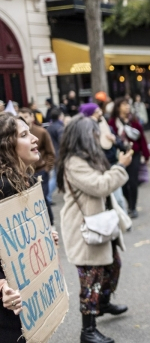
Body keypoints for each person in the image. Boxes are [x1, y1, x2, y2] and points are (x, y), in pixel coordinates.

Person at [56, 115, 132, 343]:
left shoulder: (89, 157)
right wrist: (120, 167)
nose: (97, 136)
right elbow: (100, 186)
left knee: (113, 265)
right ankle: (87, 331)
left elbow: (113, 162)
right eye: (94, 133)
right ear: (83, 136)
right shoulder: (74, 162)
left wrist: (117, 144)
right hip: (85, 230)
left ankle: (104, 303)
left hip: (101, 225)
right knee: (91, 279)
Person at [0, 113, 60, 343]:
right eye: (24, 135)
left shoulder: (29, 182)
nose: (35, 139)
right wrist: (2, 285)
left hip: (28, 302)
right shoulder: (2, 188)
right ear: (7, 145)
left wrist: (44, 239)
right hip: (9, 309)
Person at [108, 97, 150, 219]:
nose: (127, 107)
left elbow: (142, 138)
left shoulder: (134, 121)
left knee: (133, 181)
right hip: (119, 155)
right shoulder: (112, 123)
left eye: (128, 105)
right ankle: (128, 203)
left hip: (134, 154)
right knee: (122, 182)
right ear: (118, 107)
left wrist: (146, 154)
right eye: (124, 105)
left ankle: (133, 207)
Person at [18, 107, 56, 224]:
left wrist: (46, 168)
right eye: (24, 135)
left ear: (32, 117)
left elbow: (51, 152)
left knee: (43, 198)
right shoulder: (8, 182)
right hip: (29, 173)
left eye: (26, 116)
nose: (34, 139)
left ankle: (50, 222)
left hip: (40, 172)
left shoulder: (41, 131)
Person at [47, 108, 65, 203]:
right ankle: (47, 196)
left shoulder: (50, 127)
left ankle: (47, 196)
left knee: (56, 177)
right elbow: (62, 142)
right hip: (60, 155)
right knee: (56, 178)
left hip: (54, 154)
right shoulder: (60, 127)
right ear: (59, 116)